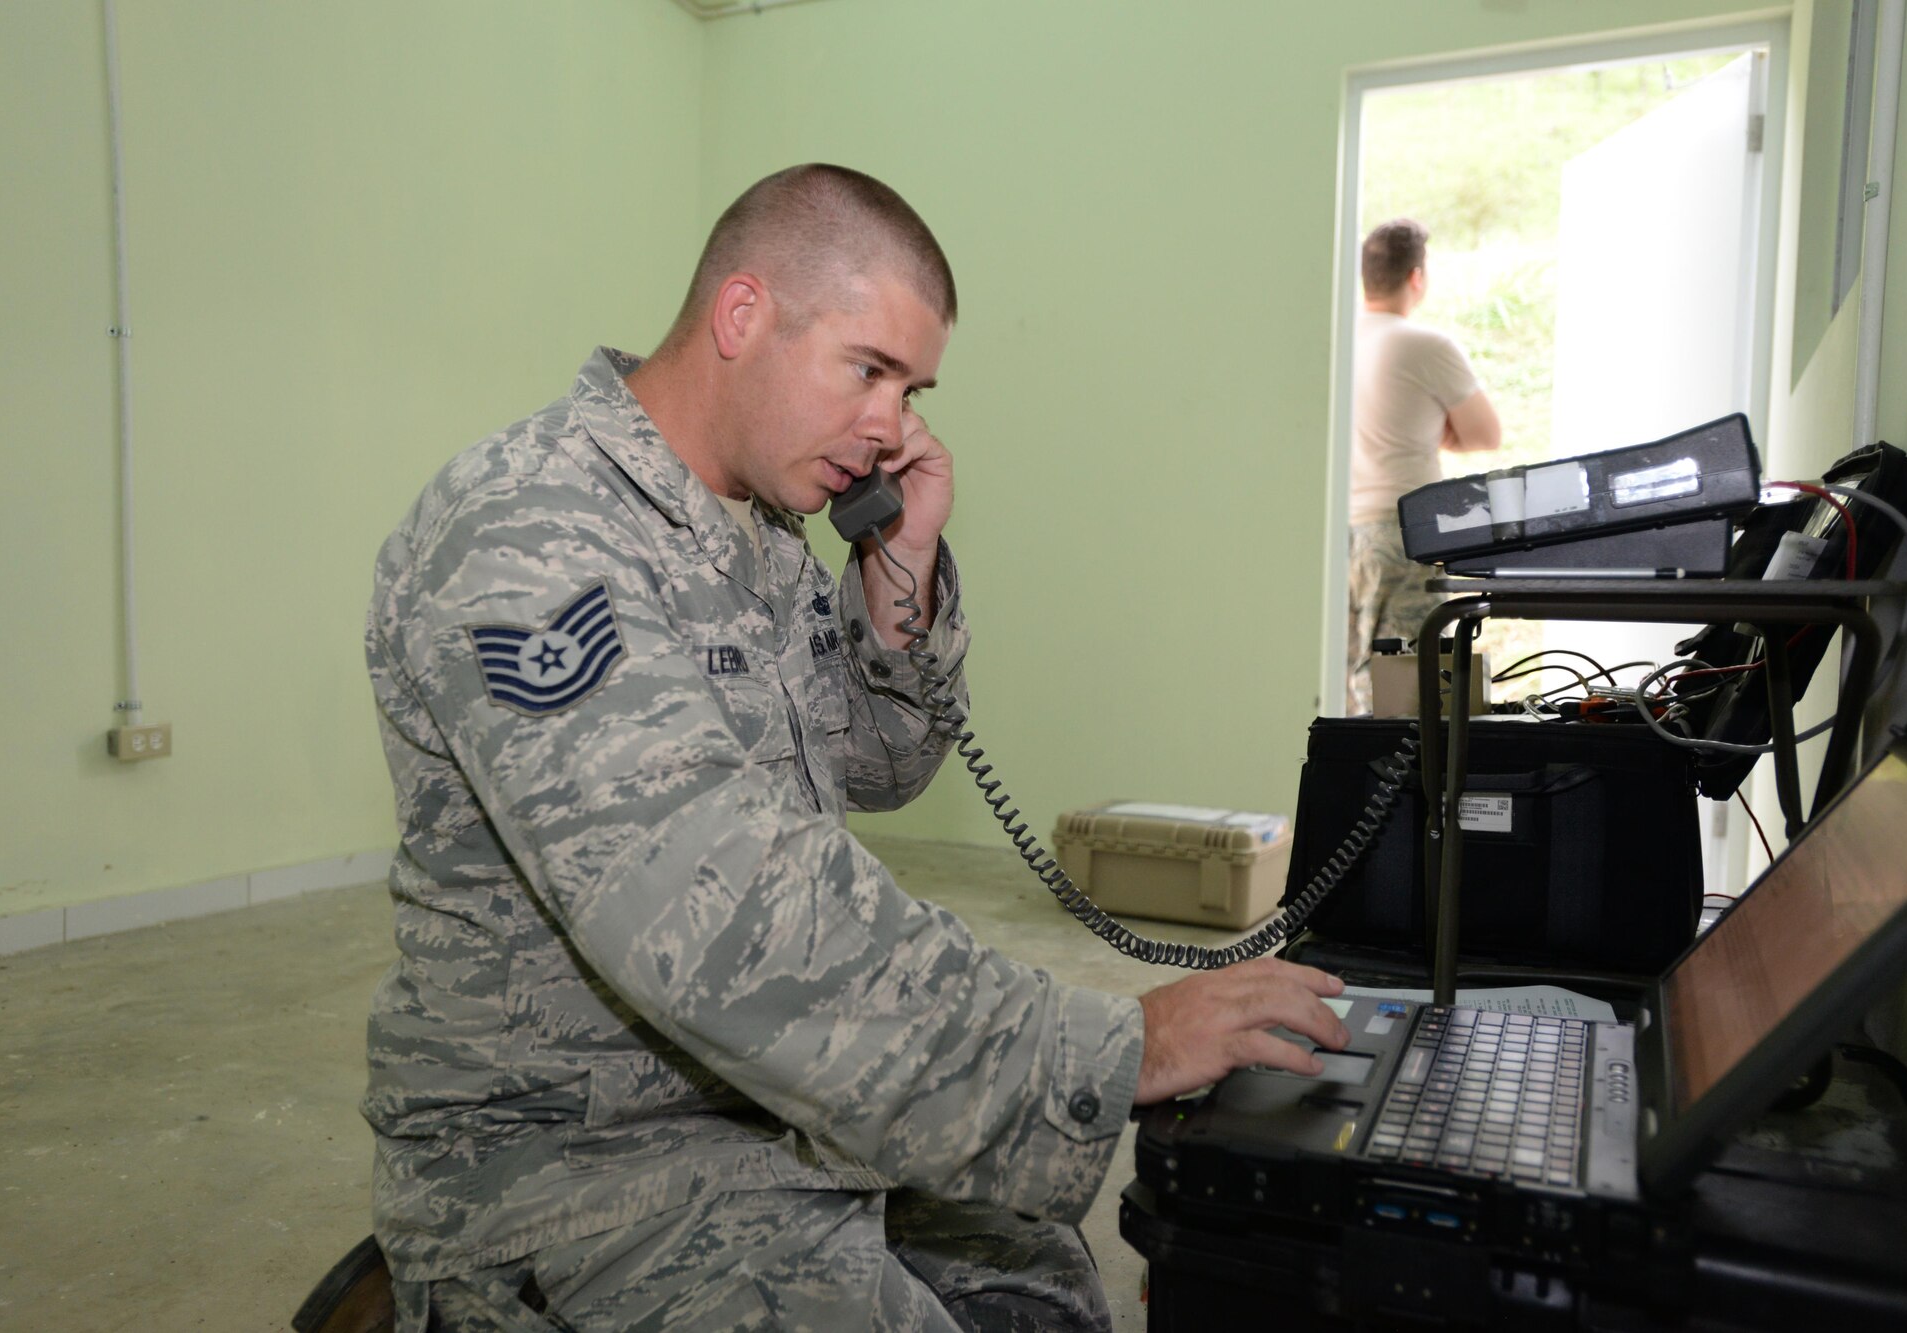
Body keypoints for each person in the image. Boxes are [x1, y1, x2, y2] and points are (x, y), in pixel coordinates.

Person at [364, 163, 1350, 1332]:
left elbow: (881, 764)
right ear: (743, 317)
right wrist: (1095, 1046)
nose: (892, 425)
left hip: (778, 1102)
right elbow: (719, 918)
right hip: (585, 1164)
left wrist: (901, 562)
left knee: (1042, 1284)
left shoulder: (765, 534)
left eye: (912, 387)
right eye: (868, 369)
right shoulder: (529, 529)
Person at [1347, 217, 1501, 715]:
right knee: (1408, 694)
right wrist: (1439, 426)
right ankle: (1408, 793)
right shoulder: (1425, 347)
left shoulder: (1336, 341)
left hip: (1337, 536)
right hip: (1401, 534)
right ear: (1417, 277)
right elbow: (1485, 434)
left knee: (1346, 683)